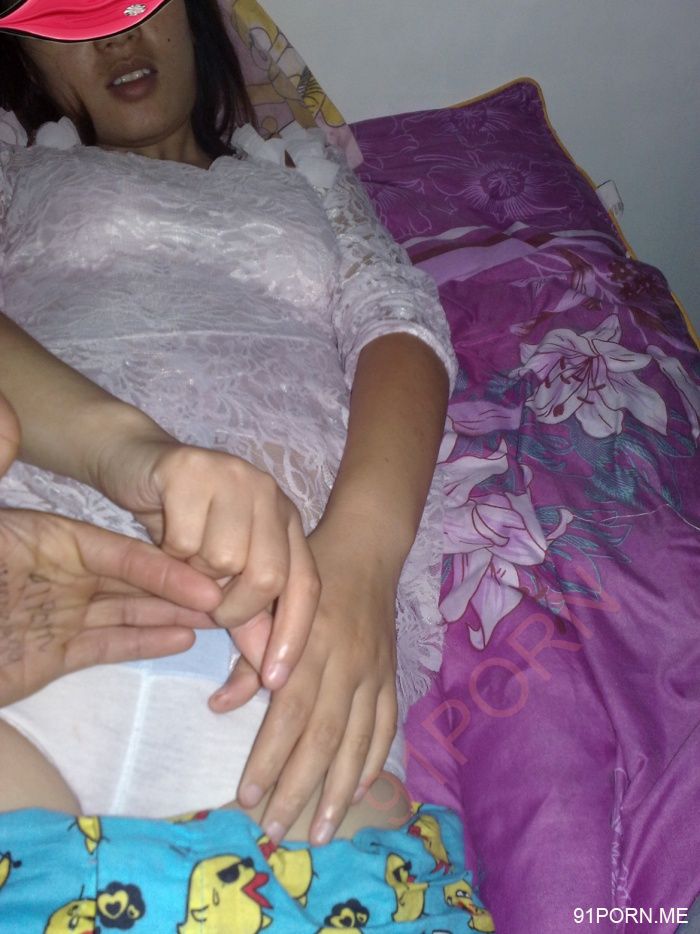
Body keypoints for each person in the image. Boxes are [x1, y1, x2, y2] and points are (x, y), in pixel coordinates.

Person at [0, 2, 495, 928]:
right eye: (66, 13)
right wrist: (126, 446)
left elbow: (401, 329)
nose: (115, 36)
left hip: (289, 686)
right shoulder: (17, 168)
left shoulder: (305, 179)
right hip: (32, 643)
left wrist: (361, 562)